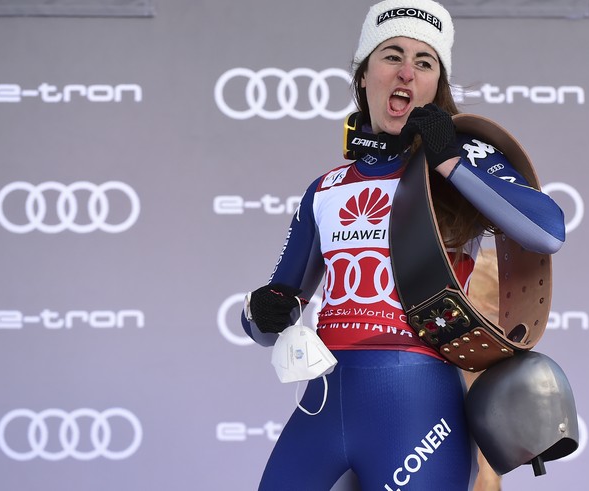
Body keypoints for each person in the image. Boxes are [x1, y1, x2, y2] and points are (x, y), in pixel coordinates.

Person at [241, 1, 565, 489]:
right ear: (364, 73)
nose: (407, 73)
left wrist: (450, 161)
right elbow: (273, 313)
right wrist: (259, 312)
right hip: (326, 398)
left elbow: (547, 231)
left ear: (438, 86)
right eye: (392, 55)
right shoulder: (326, 188)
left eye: (425, 62)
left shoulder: (458, 166)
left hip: (420, 404)